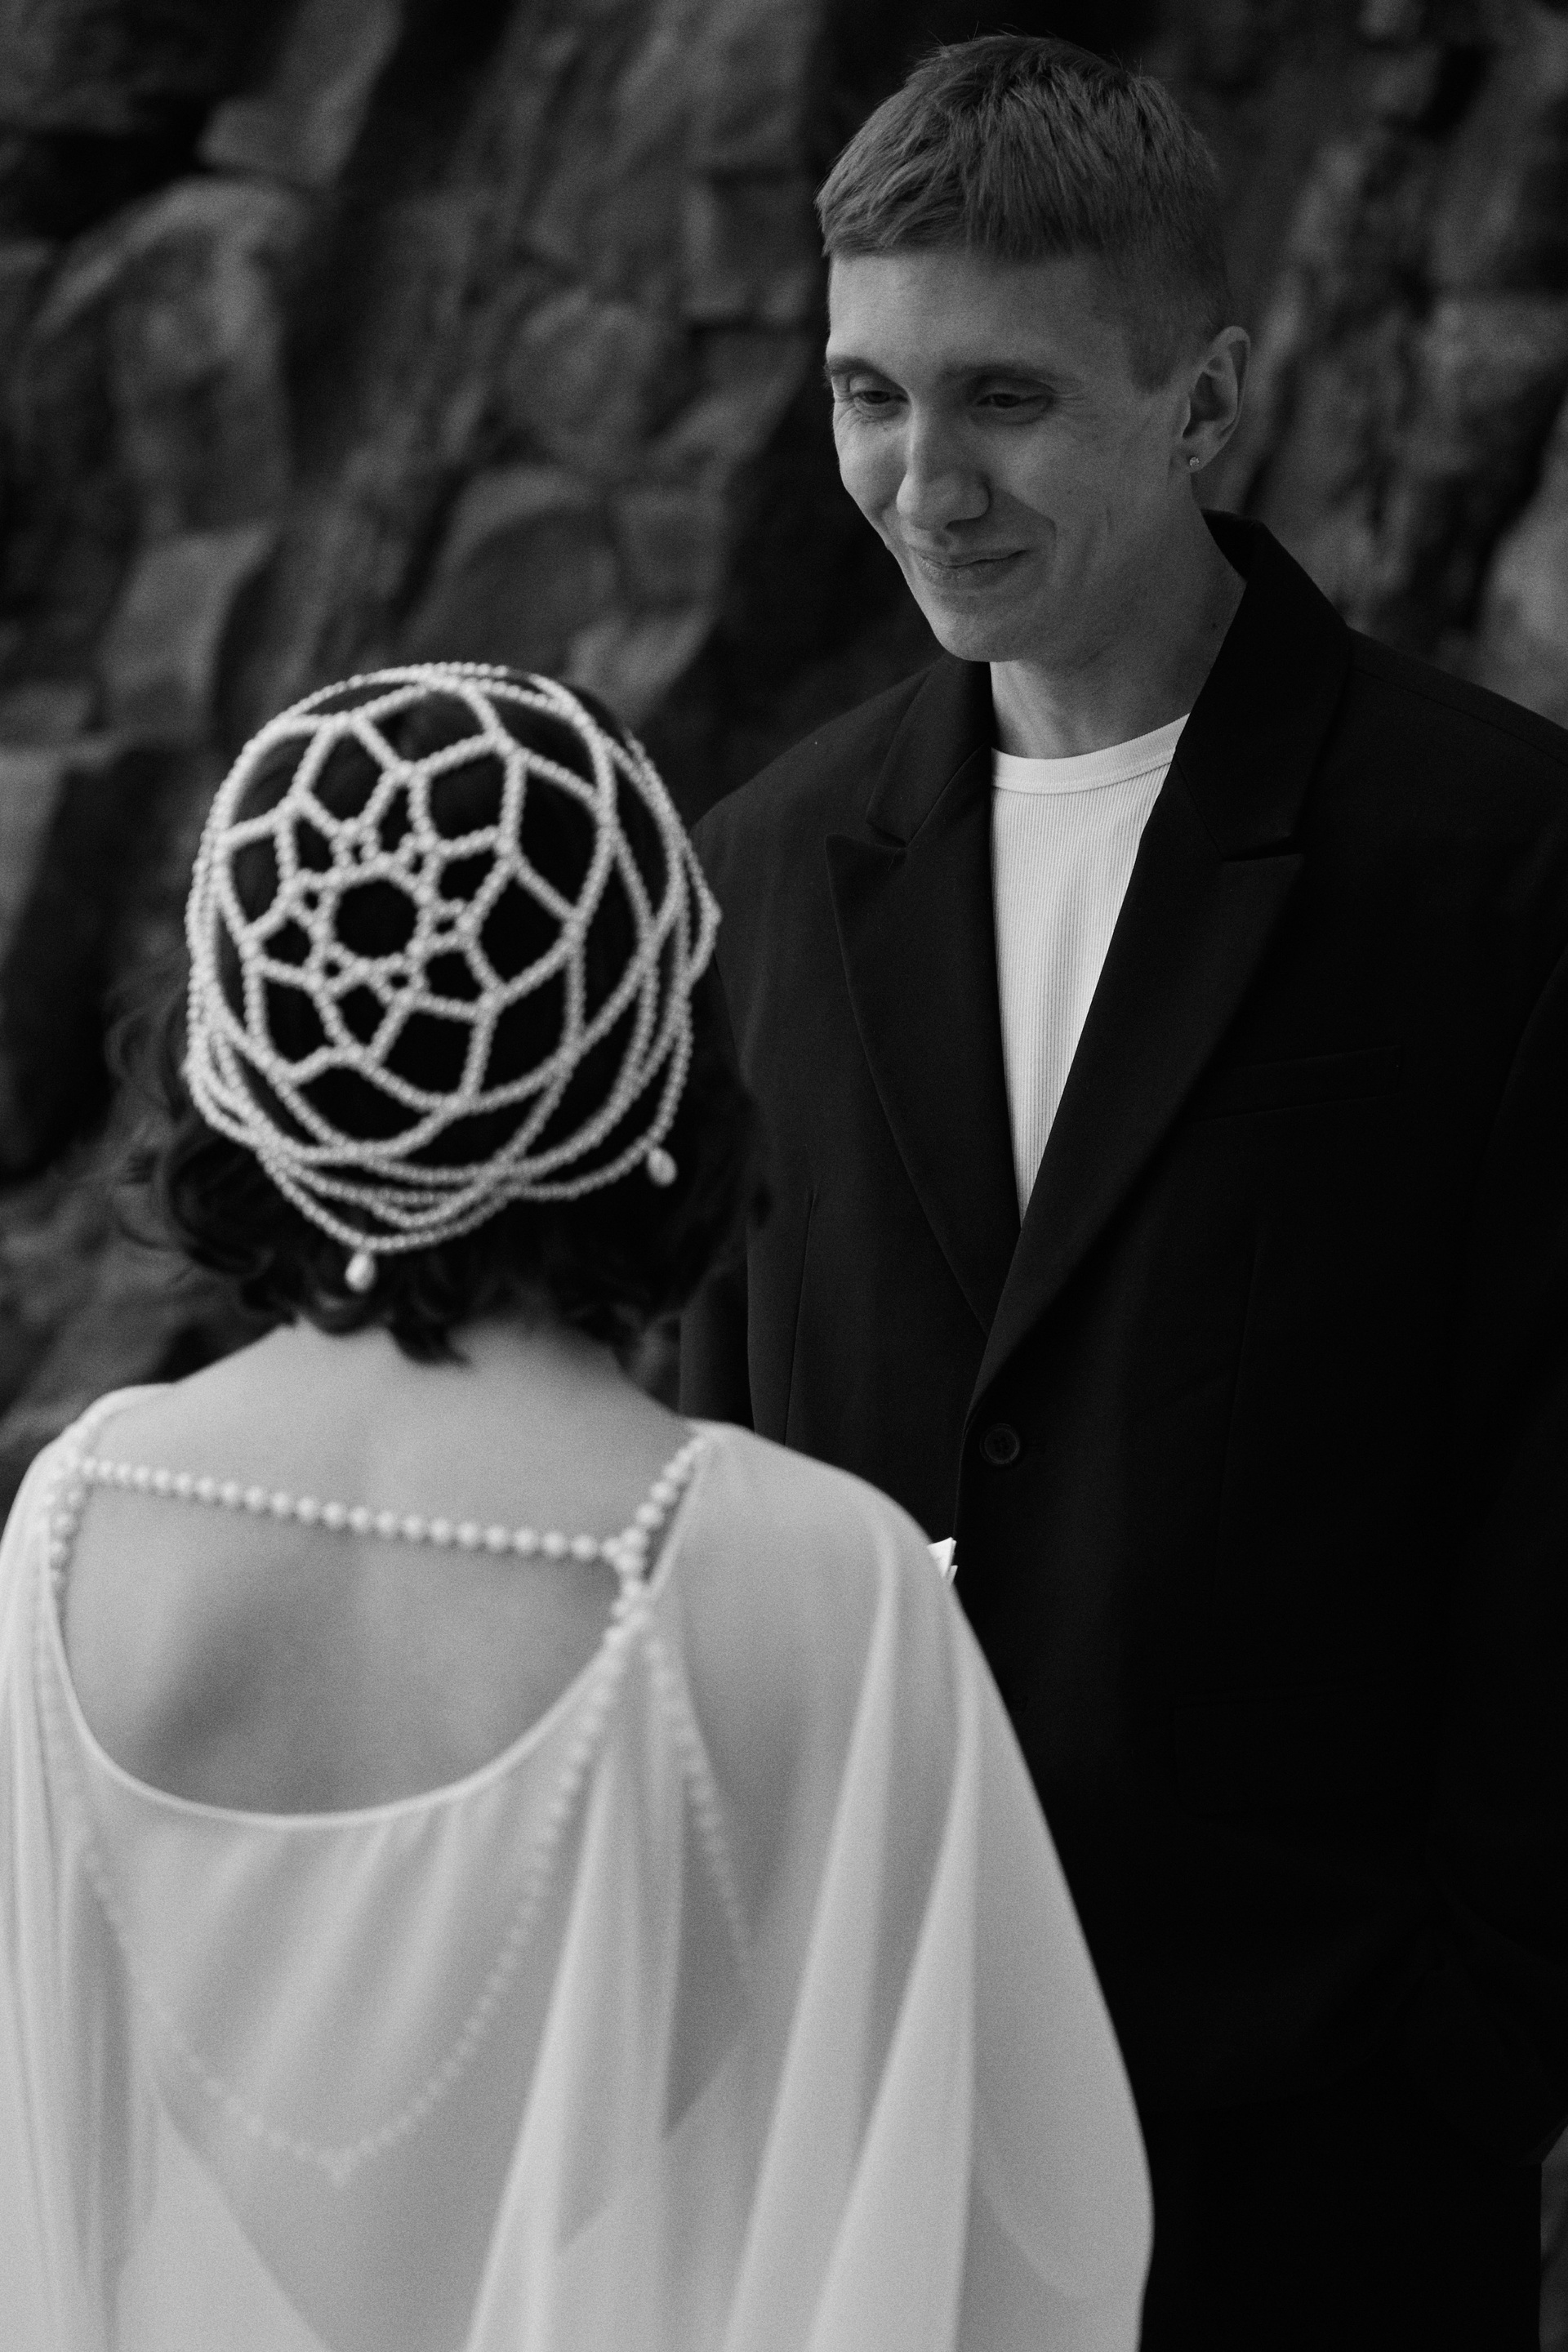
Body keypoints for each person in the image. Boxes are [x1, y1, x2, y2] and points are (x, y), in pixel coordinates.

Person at [679, 34, 1568, 2352]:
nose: (922, 483)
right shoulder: (762, 871)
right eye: (867, 395)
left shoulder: (1505, 867)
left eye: (1006, 399)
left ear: (1208, 402)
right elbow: (712, 1476)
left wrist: (1470, 2046)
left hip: (1317, 2176)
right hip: (854, 2153)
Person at [0, 662, 1148, 2352]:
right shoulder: (811, 1583)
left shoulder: (77, 1530)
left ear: (231, 1051)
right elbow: (1028, 2247)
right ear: (663, 1054)